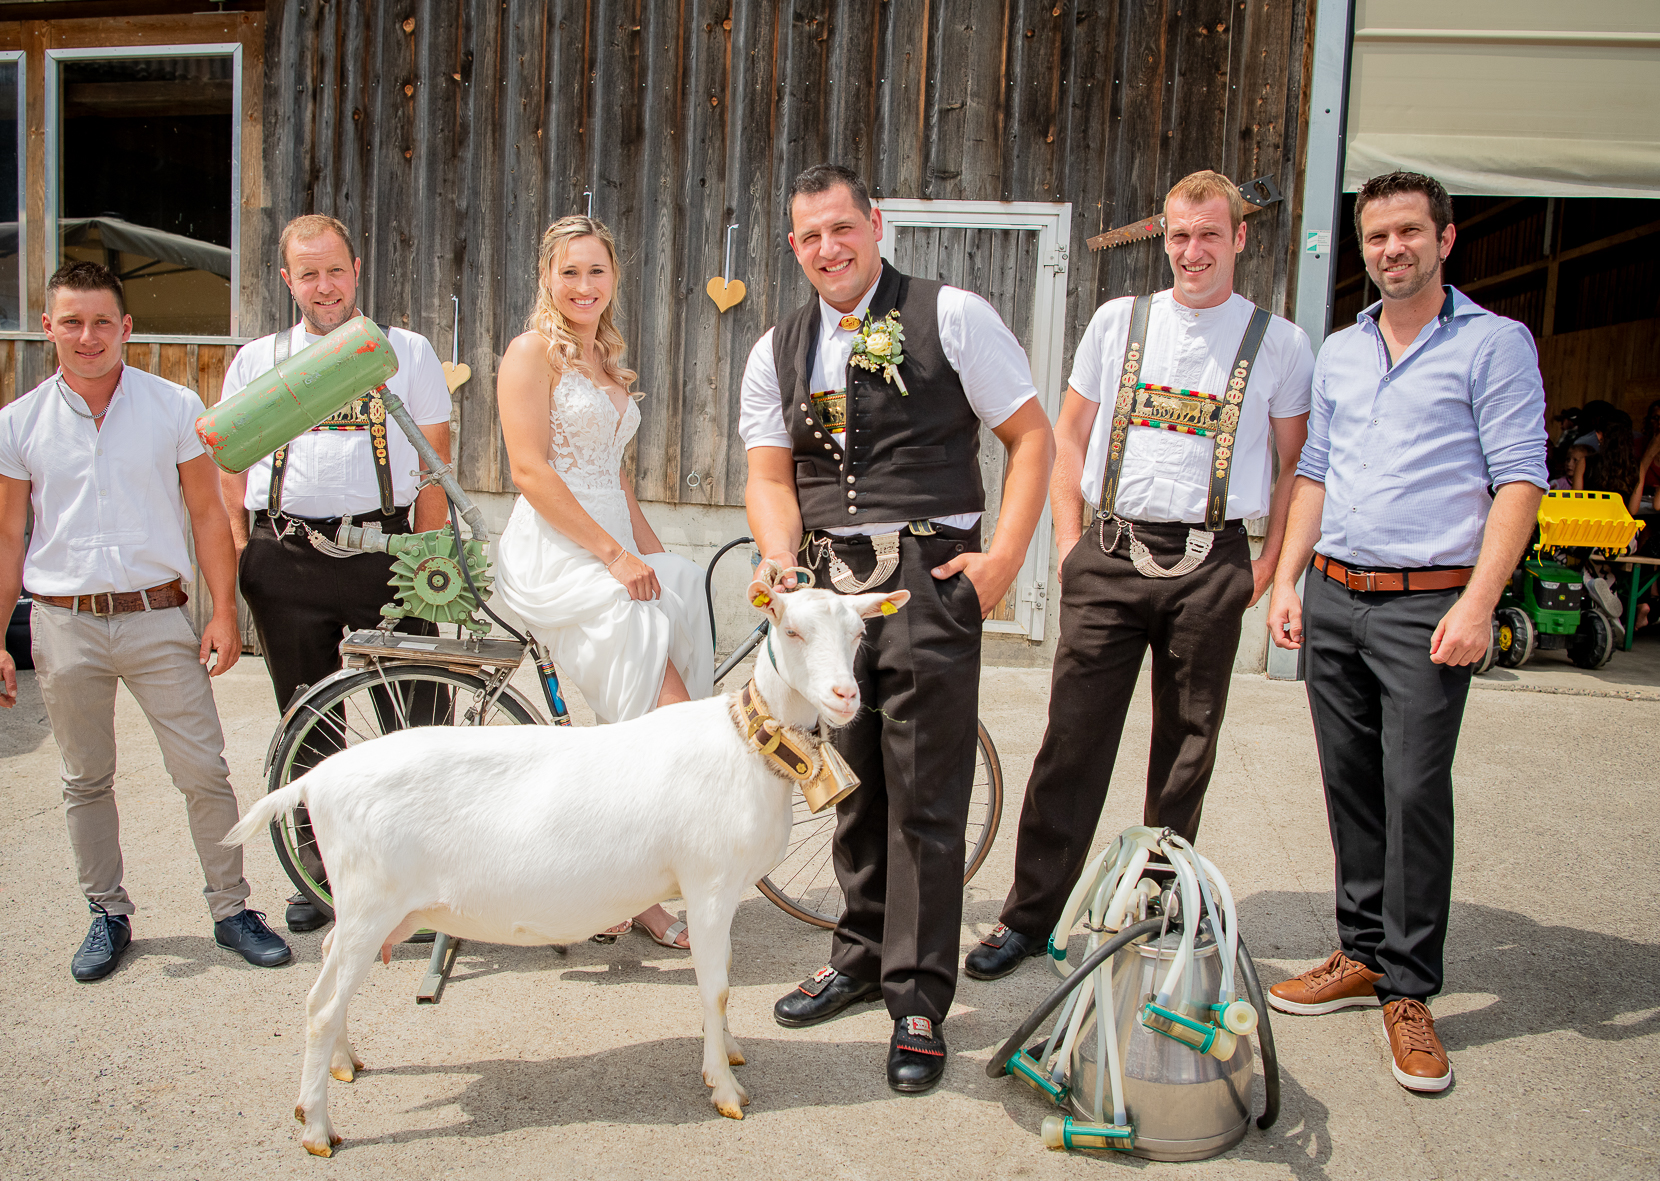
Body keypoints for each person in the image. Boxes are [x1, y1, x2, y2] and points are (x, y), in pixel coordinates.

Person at [740, 164, 1053, 1093]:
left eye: (842, 227)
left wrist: (1002, 561)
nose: (828, 248)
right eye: (809, 236)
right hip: (827, 587)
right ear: (793, 246)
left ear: (875, 224)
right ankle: (861, 954)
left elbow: (1032, 437)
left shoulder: (951, 314)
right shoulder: (777, 347)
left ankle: (917, 999)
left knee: (925, 792)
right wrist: (778, 554)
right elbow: (769, 475)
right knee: (851, 780)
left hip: (927, 576)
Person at [965, 170, 1312, 982]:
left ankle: (1159, 902)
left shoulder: (1281, 342)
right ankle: (1029, 914)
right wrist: (1068, 544)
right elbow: (1067, 434)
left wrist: (1269, 566)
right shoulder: (1119, 321)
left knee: (1187, 746)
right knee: (1071, 741)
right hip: (1112, 552)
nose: (1193, 251)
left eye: (1210, 235)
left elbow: (1297, 463)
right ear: (1164, 237)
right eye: (1180, 235)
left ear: (1239, 238)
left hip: (1214, 559)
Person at [1267, 171, 1547, 1094]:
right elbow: (1314, 470)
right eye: (1378, 236)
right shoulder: (1342, 351)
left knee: (1415, 788)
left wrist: (1479, 603)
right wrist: (1289, 579)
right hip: (1335, 594)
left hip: (1429, 604)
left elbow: (1519, 479)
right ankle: (1360, 952)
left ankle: (1411, 987)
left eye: (1410, 232)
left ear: (1446, 239)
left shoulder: (1493, 344)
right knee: (1349, 783)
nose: (1393, 249)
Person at [0, 261, 291, 981]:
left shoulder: (173, 406)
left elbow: (207, 513)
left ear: (126, 327)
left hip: (157, 617)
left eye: (101, 322)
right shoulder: (18, 423)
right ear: (48, 327)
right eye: (72, 322)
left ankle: (232, 909)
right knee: (85, 778)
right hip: (64, 622)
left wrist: (222, 614)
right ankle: (106, 913)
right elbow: (2, 536)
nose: (87, 336)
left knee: (203, 771)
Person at [217, 214, 452, 933]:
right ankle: (322, 875)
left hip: (388, 549)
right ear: (287, 280)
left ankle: (429, 871)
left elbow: (433, 467)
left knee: (418, 716)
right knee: (308, 722)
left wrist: (429, 560)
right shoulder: (258, 361)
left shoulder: (406, 351)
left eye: (335, 270)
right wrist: (246, 559)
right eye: (308, 274)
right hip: (287, 553)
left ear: (357, 268)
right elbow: (230, 470)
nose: (325, 286)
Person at [492, 215, 711, 950]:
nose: (584, 286)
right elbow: (530, 471)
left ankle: (625, 882)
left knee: (682, 594)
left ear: (614, 279)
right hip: (558, 550)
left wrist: (653, 555)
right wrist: (615, 558)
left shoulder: (605, 359)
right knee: (669, 719)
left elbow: (614, 477)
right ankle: (633, 888)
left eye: (596, 271)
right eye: (570, 272)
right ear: (547, 278)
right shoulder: (531, 353)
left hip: (610, 539)